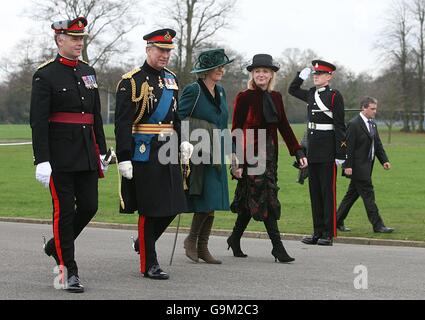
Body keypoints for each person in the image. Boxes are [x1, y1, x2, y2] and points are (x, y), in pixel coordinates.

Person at [30, 17, 109, 293]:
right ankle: (68, 272)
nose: (79, 43)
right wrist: (42, 160)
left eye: (81, 38)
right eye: (74, 38)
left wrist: (103, 150)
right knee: (64, 213)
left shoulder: (88, 71)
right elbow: (38, 121)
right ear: (59, 40)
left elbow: (95, 116)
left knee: (89, 206)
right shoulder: (45, 75)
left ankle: (55, 246)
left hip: (87, 152)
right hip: (59, 156)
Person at [115, 28, 187, 280]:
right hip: (143, 149)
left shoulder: (171, 79)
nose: (165, 55)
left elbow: (176, 116)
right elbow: (123, 123)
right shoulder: (131, 81)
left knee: (174, 204)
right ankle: (149, 263)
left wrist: (184, 140)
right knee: (150, 207)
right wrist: (124, 156)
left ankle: (144, 242)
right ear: (148, 49)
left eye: (168, 51)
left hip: (168, 148)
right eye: (160, 50)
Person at [228, 54, 307, 263]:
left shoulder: (276, 98)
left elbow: (284, 126)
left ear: (271, 74)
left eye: (265, 71)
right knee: (266, 198)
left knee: (250, 198)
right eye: (257, 71)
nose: (261, 74)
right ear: (252, 75)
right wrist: (235, 162)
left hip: (270, 155)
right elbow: (235, 130)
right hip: (250, 155)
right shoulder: (244, 97)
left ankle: (234, 238)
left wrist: (298, 151)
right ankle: (277, 247)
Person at [177, 48, 234, 264]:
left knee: (214, 198)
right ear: (206, 70)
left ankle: (202, 246)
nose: (221, 70)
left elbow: (223, 123)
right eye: (217, 66)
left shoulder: (220, 91)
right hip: (198, 149)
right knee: (205, 196)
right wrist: (185, 143)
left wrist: (230, 152)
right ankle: (192, 240)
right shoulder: (194, 90)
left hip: (217, 150)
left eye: (222, 66)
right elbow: (180, 117)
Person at [288, 60, 347, 246]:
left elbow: (340, 126)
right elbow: (292, 90)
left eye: (319, 74)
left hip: (328, 150)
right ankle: (317, 231)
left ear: (329, 76)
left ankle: (328, 234)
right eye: (314, 74)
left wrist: (341, 153)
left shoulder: (335, 96)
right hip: (313, 150)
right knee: (315, 193)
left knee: (327, 193)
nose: (316, 76)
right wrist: (300, 76)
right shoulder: (312, 93)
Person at [336, 97, 394, 233]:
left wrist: (384, 160)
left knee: (351, 196)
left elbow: (377, 144)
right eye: (372, 109)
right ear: (364, 108)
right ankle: (378, 225)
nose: (375, 111)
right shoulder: (354, 124)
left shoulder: (372, 124)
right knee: (369, 195)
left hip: (368, 166)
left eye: (375, 108)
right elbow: (348, 147)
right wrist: (347, 166)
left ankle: (336, 221)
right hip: (357, 167)